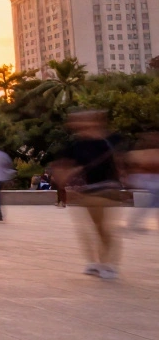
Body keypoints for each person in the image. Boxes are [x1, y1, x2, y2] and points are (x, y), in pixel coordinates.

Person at [55, 110, 123, 279]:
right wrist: (63, 180)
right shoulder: (76, 145)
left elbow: (121, 161)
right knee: (90, 227)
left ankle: (107, 264)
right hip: (88, 189)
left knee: (103, 227)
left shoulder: (110, 141)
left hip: (108, 187)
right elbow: (63, 166)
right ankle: (95, 263)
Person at [126, 132, 159, 233]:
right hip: (143, 178)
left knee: (154, 201)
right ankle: (134, 222)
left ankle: (134, 222)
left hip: (152, 179)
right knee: (154, 200)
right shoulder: (140, 153)